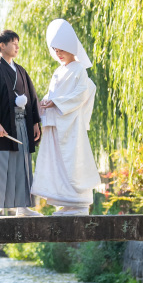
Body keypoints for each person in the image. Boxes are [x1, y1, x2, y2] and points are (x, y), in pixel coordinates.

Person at [32, 18, 101, 215]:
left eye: (61, 49)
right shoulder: (58, 71)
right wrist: (46, 102)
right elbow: (52, 94)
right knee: (57, 162)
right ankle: (66, 202)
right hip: (56, 123)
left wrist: (56, 102)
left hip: (71, 123)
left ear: (71, 48)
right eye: (55, 50)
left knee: (73, 160)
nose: (58, 53)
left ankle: (79, 203)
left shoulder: (79, 69)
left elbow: (81, 93)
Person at [0, 29, 42, 217]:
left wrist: (35, 123)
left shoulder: (21, 71)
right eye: (13, 43)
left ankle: (22, 206)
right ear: (2, 45)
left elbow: (31, 97)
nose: (17, 47)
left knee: (23, 164)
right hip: (3, 125)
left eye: (17, 43)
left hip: (22, 123)